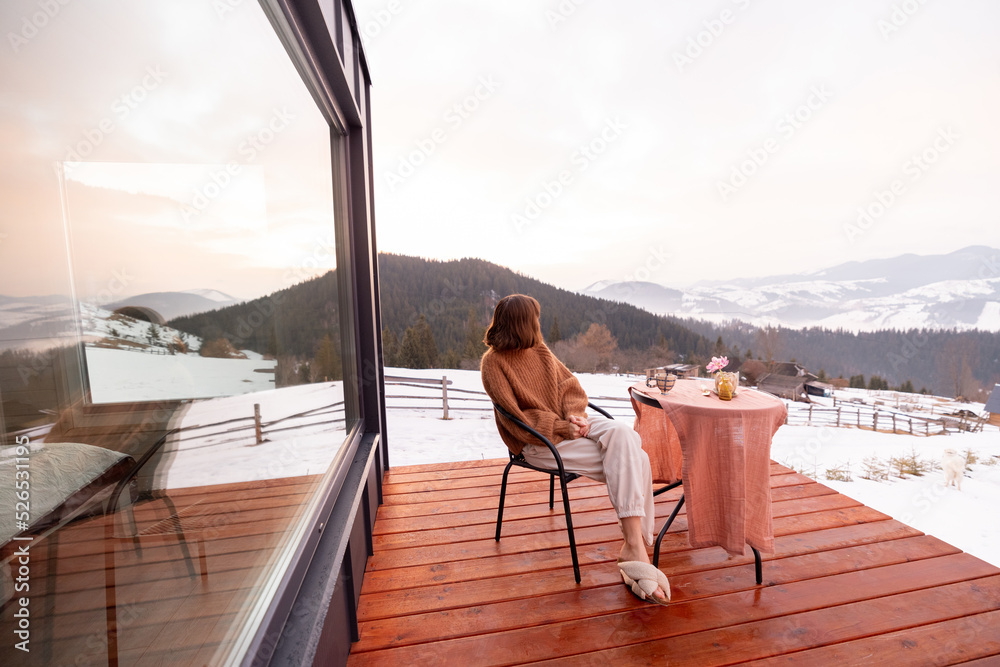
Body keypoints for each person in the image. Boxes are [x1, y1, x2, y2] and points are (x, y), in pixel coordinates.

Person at [480, 294, 670, 604]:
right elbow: (515, 418)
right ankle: (636, 549)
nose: (538, 324)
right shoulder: (493, 363)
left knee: (622, 435)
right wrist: (561, 427)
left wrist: (574, 415)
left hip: (568, 427)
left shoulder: (539, 350)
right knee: (637, 457)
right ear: (522, 323)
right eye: (534, 319)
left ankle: (633, 548)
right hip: (537, 442)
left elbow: (570, 386)